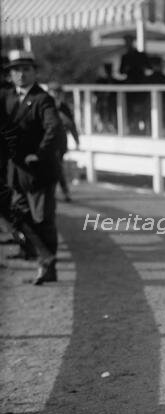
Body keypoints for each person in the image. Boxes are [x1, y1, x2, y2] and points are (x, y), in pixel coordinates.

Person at [2, 50, 63, 284]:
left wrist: (38, 154)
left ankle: (48, 266)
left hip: (40, 171)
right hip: (15, 172)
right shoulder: (6, 98)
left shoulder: (42, 99)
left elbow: (54, 129)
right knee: (17, 216)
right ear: (10, 75)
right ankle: (45, 258)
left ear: (34, 72)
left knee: (43, 220)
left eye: (26, 69)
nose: (21, 74)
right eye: (16, 70)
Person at [47, 81, 79, 202]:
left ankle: (59, 191)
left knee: (57, 166)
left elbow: (71, 125)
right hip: (46, 142)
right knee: (55, 167)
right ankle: (60, 191)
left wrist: (77, 140)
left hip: (59, 142)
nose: (55, 95)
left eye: (57, 92)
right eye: (53, 92)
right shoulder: (44, 106)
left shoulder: (64, 108)